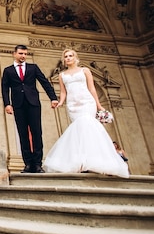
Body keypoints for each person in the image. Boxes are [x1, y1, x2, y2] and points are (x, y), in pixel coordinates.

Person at [43, 49, 129, 177]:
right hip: (72, 105)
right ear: (64, 60)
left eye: (70, 56)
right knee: (79, 131)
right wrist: (60, 102)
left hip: (87, 102)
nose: (68, 58)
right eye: (66, 56)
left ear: (75, 57)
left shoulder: (85, 71)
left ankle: (94, 161)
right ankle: (81, 162)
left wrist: (99, 105)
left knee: (88, 126)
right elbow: (63, 92)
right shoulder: (62, 75)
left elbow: (92, 88)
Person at [2, 44, 59, 173]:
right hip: (18, 105)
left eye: (25, 54)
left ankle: (38, 164)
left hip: (33, 104)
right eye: (21, 53)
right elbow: (5, 89)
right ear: (14, 54)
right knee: (23, 134)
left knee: (36, 133)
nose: (23, 56)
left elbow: (44, 82)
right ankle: (27, 164)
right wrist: (7, 104)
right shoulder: (8, 70)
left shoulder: (33, 68)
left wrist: (53, 98)